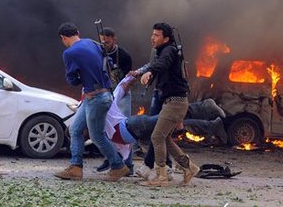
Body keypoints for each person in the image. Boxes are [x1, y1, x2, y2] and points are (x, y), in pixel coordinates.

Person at [93, 76, 227, 176]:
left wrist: (131, 77)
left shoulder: (104, 109)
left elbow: (119, 91)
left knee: (170, 118)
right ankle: (190, 164)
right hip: (135, 131)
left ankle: (205, 107)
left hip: (136, 126)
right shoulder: (101, 134)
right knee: (167, 132)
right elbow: (120, 150)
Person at [54, 22, 128, 181]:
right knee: (75, 130)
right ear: (78, 32)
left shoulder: (69, 53)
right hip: (101, 95)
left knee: (96, 136)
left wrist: (79, 76)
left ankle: (118, 166)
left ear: (63, 38)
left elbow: (72, 80)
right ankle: (75, 167)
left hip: (96, 98)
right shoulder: (92, 43)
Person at [139, 22, 199, 187]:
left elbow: (163, 63)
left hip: (175, 103)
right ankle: (189, 167)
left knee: (157, 136)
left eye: (156, 35)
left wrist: (150, 71)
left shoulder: (169, 51)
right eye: (152, 34)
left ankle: (162, 176)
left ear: (166, 38)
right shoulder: (165, 51)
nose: (152, 38)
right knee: (164, 138)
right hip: (172, 102)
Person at [99, 27, 134, 174]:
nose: (105, 44)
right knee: (105, 128)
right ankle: (111, 159)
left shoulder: (124, 56)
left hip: (122, 94)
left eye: (107, 41)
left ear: (114, 39)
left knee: (124, 128)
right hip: (105, 93)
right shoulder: (98, 53)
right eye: (102, 41)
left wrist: (120, 94)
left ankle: (129, 164)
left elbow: (129, 79)